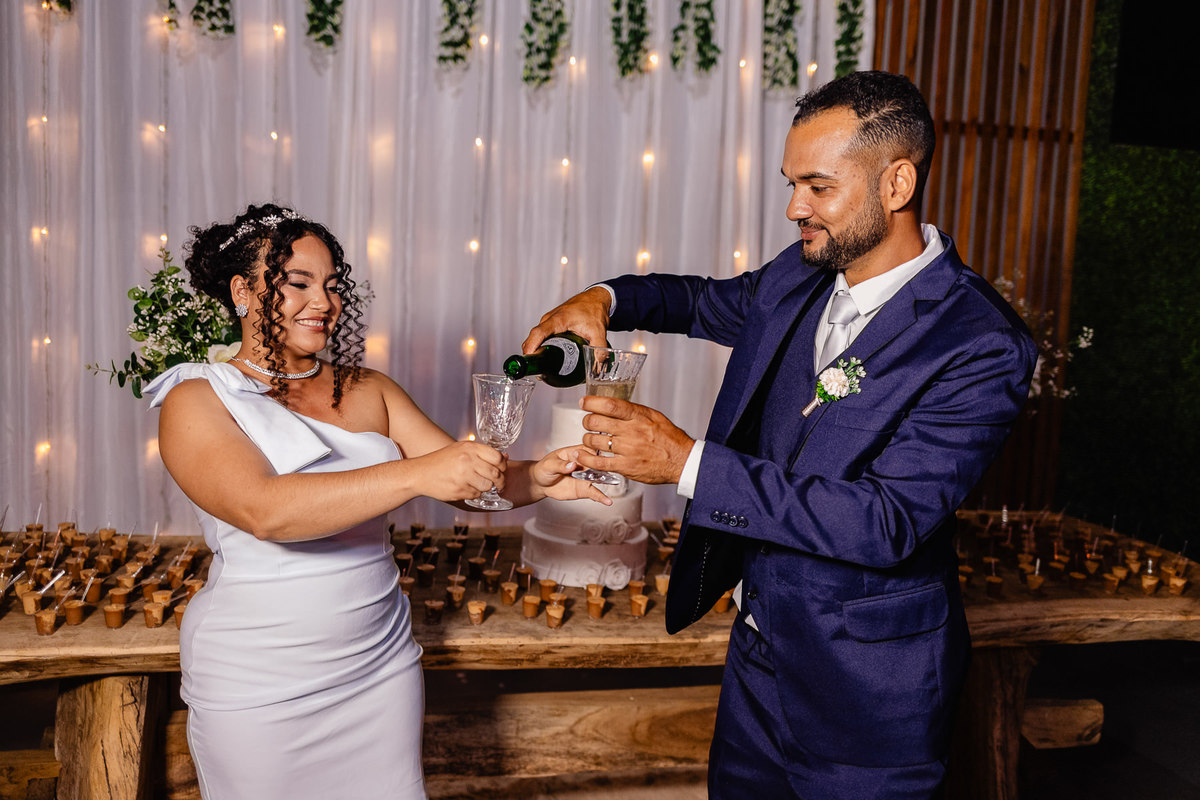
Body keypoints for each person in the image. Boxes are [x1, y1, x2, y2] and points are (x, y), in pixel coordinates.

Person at [523, 71, 1037, 797]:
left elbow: (884, 522)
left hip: (869, 694)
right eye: (792, 183)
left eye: (818, 187)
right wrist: (602, 297)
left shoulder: (980, 343)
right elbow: (696, 301)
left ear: (896, 184)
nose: (796, 207)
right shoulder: (797, 278)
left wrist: (686, 463)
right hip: (756, 667)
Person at [145, 203, 606, 799]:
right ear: (242, 290)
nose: (324, 302)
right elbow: (267, 511)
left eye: (333, 286)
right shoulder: (198, 398)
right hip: (261, 680)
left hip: (378, 667)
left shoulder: (370, 389)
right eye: (298, 283)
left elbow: (467, 482)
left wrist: (538, 477)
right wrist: (416, 475)